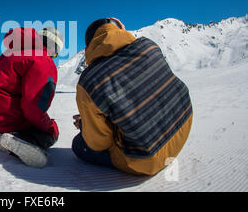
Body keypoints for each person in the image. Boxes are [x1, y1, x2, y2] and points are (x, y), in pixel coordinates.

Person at [72, 18, 193, 175]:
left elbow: (99, 143)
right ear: (121, 29)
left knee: (79, 144)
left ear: (89, 46)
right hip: (184, 126)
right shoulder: (149, 46)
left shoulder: (89, 81)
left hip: (149, 158)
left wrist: (85, 125)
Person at [0, 27, 64, 168]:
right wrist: (49, 126)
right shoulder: (42, 60)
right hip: (6, 121)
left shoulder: (8, 55)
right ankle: (24, 141)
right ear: (54, 49)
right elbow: (34, 106)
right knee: (52, 131)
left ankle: (0, 136)